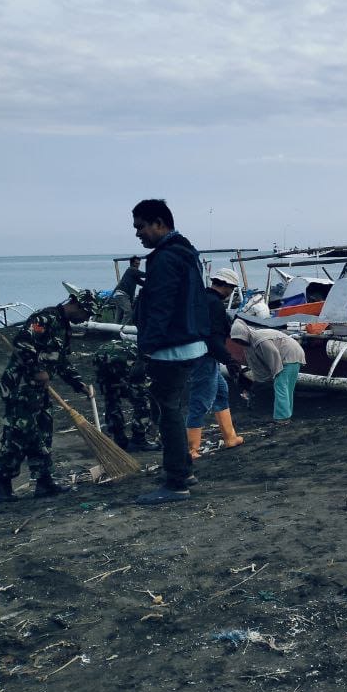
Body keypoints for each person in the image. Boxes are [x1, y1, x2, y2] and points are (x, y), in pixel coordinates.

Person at [132, 199, 210, 506]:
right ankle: (183, 472)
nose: (138, 234)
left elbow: (161, 308)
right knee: (173, 409)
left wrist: (145, 353)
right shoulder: (186, 253)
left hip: (170, 349)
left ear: (159, 224)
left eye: (141, 226)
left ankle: (176, 481)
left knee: (168, 413)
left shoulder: (164, 259)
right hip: (190, 344)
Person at [0, 287, 100, 503]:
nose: (85, 319)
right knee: (18, 436)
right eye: (86, 314)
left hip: (38, 391)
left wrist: (77, 383)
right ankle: (2, 487)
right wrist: (35, 369)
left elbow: (60, 361)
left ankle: (44, 482)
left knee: (43, 433)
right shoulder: (44, 318)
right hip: (20, 387)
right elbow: (22, 343)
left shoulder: (64, 327)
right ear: (76, 305)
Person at [186, 268, 245, 459]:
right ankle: (191, 449)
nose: (231, 292)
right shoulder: (215, 305)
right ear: (226, 286)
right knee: (201, 400)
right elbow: (213, 339)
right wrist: (229, 360)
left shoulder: (200, 298)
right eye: (232, 288)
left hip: (197, 353)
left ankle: (230, 438)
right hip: (204, 356)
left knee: (221, 391)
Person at [229, 320, 305, 425]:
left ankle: (282, 419)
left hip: (290, 355)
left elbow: (273, 356)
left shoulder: (261, 340)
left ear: (245, 335)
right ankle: (286, 416)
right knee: (286, 389)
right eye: (237, 341)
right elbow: (255, 364)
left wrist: (275, 373)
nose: (239, 343)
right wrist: (256, 382)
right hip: (286, 356)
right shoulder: (248, 344)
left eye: (240, 340)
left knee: (281, 385)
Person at [93, 338, 159, 453]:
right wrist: (151, 423)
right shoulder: (148, 363)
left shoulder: (145, 351)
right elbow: (147, 394)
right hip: (119, 360)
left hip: (101, 357)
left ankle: (119, 439)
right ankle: (138, 440)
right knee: (143, 402)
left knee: (111, 400)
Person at [109, 255, 145, 325]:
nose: (138, 265)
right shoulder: (131, 270)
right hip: (122, 295)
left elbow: (143, 283)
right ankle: (123, 330)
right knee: (129, 312)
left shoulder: (134, 275)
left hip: (120, 295)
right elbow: (144, 275)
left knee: (119, 316)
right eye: (136, 263)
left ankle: (115, 333)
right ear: (132, 263)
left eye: (139, 264)